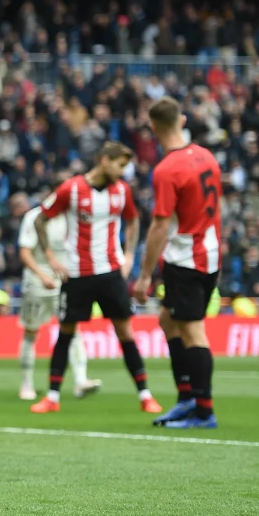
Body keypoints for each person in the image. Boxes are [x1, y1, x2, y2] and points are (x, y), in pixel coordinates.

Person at [28, 142, 162, 415]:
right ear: (104, 160)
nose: (124, 171)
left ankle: (145, 395)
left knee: (125, 331)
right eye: (120, 165)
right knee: (66, 333)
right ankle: (52, 397)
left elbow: (134, 221)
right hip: (77, 274)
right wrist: (52, 258)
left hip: (111, 273)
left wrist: (129, 256)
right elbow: (40, 219)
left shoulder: (122, 190)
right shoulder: (72, 189)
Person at [133, 97, 222, 429]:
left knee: (192, 330)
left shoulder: (167, 169)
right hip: (210, 252)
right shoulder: (206, 156)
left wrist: (144, 276)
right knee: (168, 321)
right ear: (182, 120)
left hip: (187, 258)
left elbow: (159, 225)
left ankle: (203, 410)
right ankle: (187, 399)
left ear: (154, 128)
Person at [16, 205, 101, 401]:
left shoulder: (73, 216)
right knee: (31, 331)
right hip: (38, 282)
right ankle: (26, 384)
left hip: (65, 281)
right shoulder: (34, 216)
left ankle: (81, 381)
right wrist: (42, 275)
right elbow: (25, 252)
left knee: (72, 328)